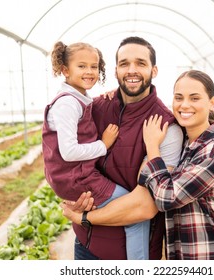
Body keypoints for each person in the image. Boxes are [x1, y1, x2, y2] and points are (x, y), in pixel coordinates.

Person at [62, 70, 214, 260]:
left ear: (212, 103)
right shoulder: (187, 142)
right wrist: (121, 93)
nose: (185, 105)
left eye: (194, 98)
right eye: (179, 97)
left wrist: (152, 147)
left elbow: (165, 198)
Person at [62, 36, 184, 260]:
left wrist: (85, 217)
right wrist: (74, 195)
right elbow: (68, 161)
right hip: (87, 247)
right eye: (124, 63)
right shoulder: (95, 108)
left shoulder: (166, 127)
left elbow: (144, 206)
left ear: (154, 70)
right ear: (116, 70)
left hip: (132, 255)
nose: (132, 70)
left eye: (140, 63)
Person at [42, 41, 152, 259]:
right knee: (135, 213)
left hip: (75, 176)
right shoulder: (67, 104)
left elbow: (86, 105)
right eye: (81, 66)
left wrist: (110, 94)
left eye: (94, 66)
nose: (89, 72)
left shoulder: (78, 98)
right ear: (65, 70)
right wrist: (104, 144)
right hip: (78, 178)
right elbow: (69, 152)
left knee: (123, 211)